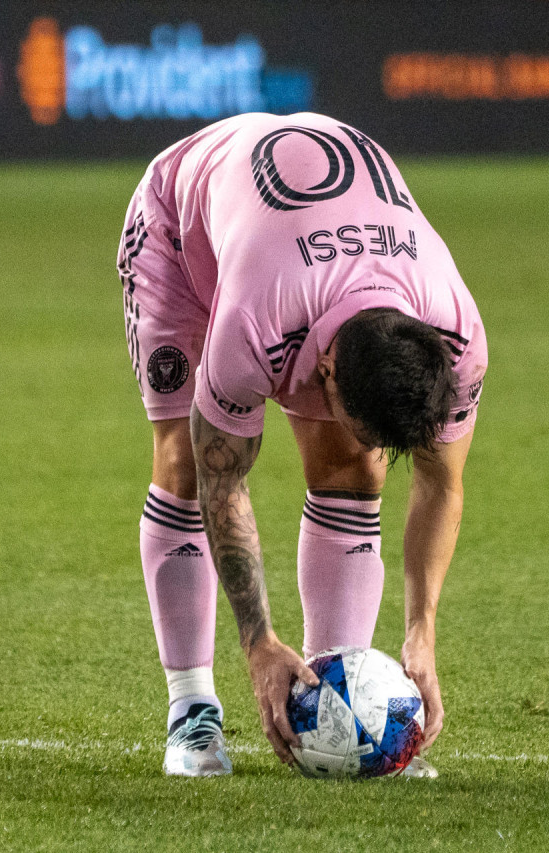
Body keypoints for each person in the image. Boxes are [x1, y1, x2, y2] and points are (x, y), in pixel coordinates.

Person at [116, 112, 487, 777]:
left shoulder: (456, 333)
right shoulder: (256, 317)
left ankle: (339, 707)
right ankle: (192, 714)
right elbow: (222, 481)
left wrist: (422, 630)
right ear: (325, 372)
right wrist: (259, 644)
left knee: (354, 467)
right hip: (179, 229)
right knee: (183, 467)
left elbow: (441, 481)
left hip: (309, 241)